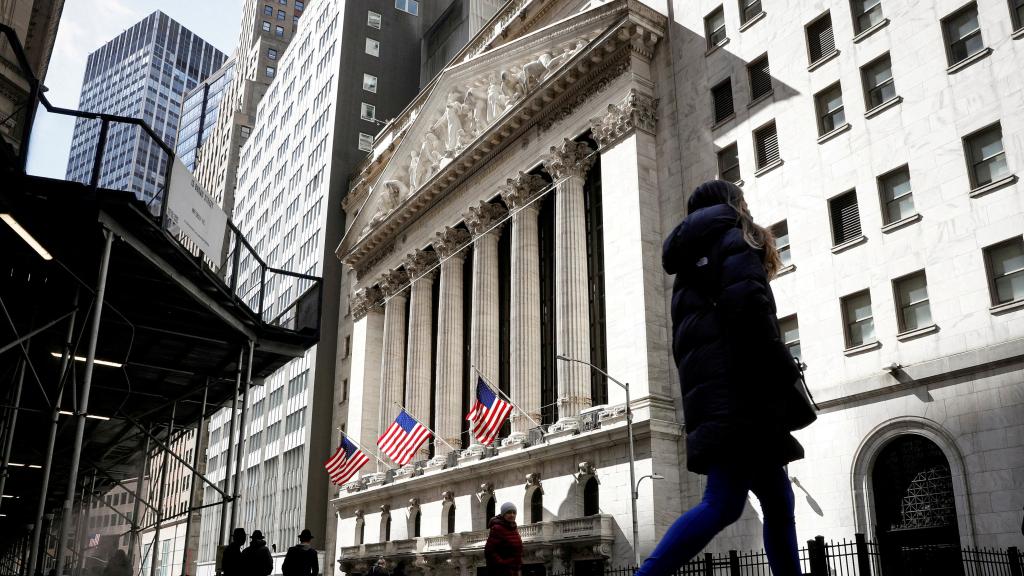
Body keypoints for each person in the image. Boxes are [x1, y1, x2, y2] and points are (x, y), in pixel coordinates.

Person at [640, 180, 806, 576]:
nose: (747, 207)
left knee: (776, 501)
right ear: (732, 203)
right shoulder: (733, 238)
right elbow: (750, 307)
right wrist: (783, 366)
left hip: (718, 396)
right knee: (723, 503)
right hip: (742, 395)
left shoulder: (689, 262)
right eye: (742, 200)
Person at [485, 502, 523, 576]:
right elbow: (489, 551)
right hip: (502, 571)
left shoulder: (513, 528)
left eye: (514, 513)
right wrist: (503, 564)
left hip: (514, 571)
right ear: (503, 514)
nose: (512, 515)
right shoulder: (497, 528)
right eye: (509, 512)